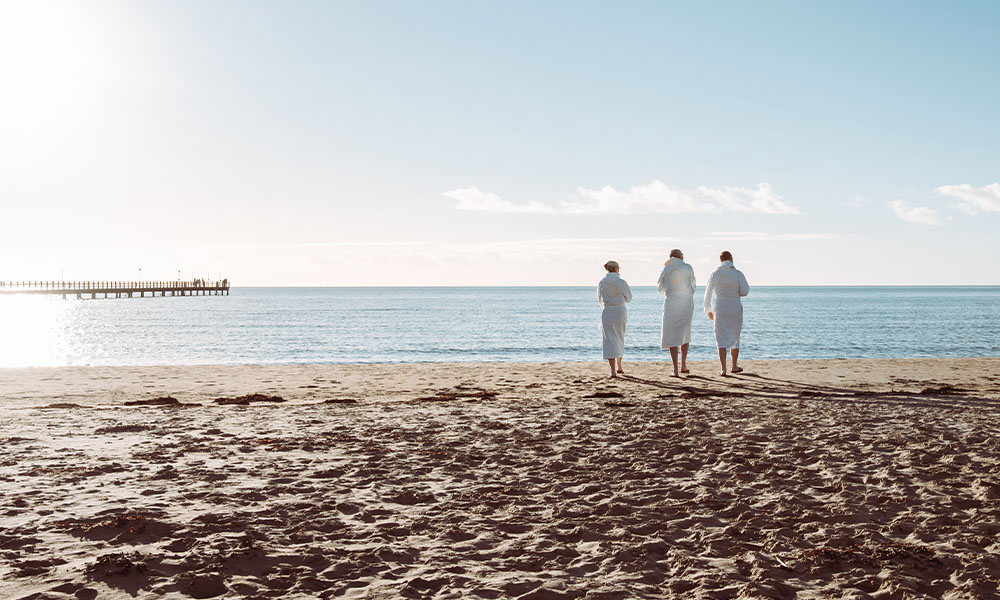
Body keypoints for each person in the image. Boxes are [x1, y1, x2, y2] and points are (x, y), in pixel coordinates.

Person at [703, 251, 749, 376]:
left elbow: (708, 293)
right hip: (734, 307)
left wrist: (708, 309)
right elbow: (745, 291)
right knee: (735, 335)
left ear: (721, 260)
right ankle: (734, 366)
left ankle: (723, 369)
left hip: (720, 307)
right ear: (731, 259)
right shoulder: (738, 273)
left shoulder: (715, 274)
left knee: (720, 336)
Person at [657, 248, 696, 377]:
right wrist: (687, 294)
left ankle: (675, 369)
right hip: (686, 303)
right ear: (679, 256)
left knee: (672, 333)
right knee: (685, 332)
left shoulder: (666, 269)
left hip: (671, 304)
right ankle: (683, 365)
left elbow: (660, 287)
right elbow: (693, 284)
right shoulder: (687, 267)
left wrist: (670, 293)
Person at [598, 260, 632, 378]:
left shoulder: (602, 282)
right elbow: (629, 298)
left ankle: (612, 370)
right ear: (617, 269)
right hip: (619, 311)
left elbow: (600, 300)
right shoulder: (621, 282)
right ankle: (619, 365)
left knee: (609, 339)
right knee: (620, 336)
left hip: (608, 311)